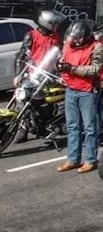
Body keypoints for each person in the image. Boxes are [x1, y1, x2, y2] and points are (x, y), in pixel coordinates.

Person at [57, 21, 103, 173]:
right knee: (73, 126)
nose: (75, 41)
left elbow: (96, 69)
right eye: (74, 38)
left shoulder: (97, 47)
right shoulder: (68, 44)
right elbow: (62, 61)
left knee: (90, 127)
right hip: (70, 90)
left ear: (86, 36)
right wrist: (60, 70)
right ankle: (73, 159)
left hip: (87, 91)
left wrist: (72, 69)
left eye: (79, 38)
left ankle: (90, 160)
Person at [13, 9, 67, 143]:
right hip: (32, 73)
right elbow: (21, 56)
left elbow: (61, 56)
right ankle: (22, 129)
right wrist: (18, 75)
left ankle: (47, 125)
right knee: (22, 101)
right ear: (47, 23)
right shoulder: (31, 35)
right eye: (54, 24)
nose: (56, 27)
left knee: (49, 101)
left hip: (48, 75)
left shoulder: (56, 38)